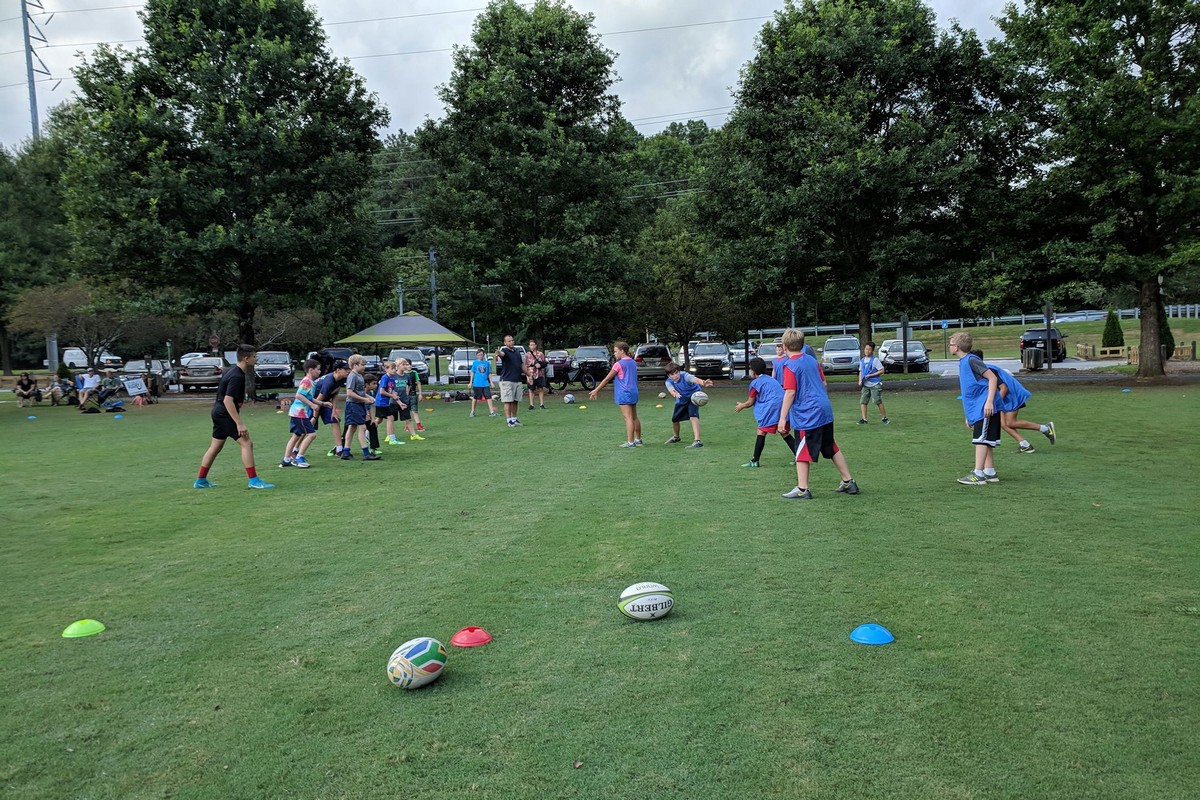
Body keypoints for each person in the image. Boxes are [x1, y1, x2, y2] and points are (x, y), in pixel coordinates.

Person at [777, 328, 859, 499]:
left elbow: (790, 393)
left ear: (784, 347)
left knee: (801, 451)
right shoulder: (812, 360)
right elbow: (823, 383)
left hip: (809, 415)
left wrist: (782, 418)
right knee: (830, 446)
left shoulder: (790, 366)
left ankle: (802, 489)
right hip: (825, 410)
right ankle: (848, 482)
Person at [194, 343, 274, 489]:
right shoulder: (237, 376)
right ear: (246, 358)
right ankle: (254, 481)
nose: (255, 359)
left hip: (218, 412)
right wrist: (239, 423)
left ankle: (200, 481)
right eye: (254, 357)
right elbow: (228, 400)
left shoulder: (231, 370)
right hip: (224, 413)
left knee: (215, 447)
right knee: (246, 443)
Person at [973, 350, 1055, 454]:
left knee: (1010, 422)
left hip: (1012, 395)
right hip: (1007, 397)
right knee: (1003, 424)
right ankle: (1025, 445)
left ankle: (1045, 428)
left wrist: (994, 403)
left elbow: (1004, 388)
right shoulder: (983, 369)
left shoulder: (988, 370)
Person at [949, 332, 1000, 485]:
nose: (949, 346)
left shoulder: (971, 360)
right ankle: (989, 472)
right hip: (977, 409)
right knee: (986, 440)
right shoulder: (964, 361)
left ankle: (978, 474)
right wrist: (969, 414)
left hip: (984, 407)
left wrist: (989, 402)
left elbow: (992, 378)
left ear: (957, 347)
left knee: (980, 440)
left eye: (950, 344)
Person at [734, 356, 797, 467]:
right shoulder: (771, 379)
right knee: (783, 431)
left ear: (753, 372)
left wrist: (741, 406)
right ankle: (799, 456)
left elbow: (750, 402)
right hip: (783, 405)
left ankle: (755, 461)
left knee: (761, 431)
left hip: (771, 407)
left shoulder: (755, 383)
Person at [588, 341, 642, 448]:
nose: (614, 354)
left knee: (628, 418)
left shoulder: (618, 364)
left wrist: (596, 390)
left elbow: (607, 378)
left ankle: (631, 442)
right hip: (633, 392)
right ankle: (638, 439)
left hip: (624, 393)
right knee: (634, 417)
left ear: (622, 351)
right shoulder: (632, 362)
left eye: (616, 351)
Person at [280, 358, 329, 469]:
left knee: (296, 435)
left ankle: (286, 459)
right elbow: (298, 395)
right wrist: (312, 406)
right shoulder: (307, 381)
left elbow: (309, 397)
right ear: (311, 370)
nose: (319, 372)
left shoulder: (310, 382)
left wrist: (323, 403)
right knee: (312, 434)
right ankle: (299, 457)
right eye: (318, 369)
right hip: (300, 413)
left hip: (297, 413)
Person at [663, 362, 713, 448]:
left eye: (676, 372)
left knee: (693, 416)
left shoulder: (685, 376)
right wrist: (674, 393)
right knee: (675, 419)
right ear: (669, 376)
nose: (675, 375)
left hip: (694, 397)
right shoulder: (668, 382)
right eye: (672, 374)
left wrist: (703, 382)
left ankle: (697, 441)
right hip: (681, 399)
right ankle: (676, 437)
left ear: (679, 371)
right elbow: (671, 390)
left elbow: (695, 379)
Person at [340, 355, 380, 461]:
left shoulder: (360, 376)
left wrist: (370, 398)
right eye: (362, 365)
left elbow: (361, 393)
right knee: (362, 428)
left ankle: (346, 452)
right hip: (353, 405)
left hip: (358, 404)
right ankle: (366, 454)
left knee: (352, 428)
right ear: (354, 365)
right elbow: (349, 393)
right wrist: (364, 400)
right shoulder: (352, 376)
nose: (364, 367)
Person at [314, 359, 349, 457]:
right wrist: (315, 416)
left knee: (335, 420)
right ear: (338, 370)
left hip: (325, 403)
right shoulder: (328, 382)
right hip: (313, 403)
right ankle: (295, 450)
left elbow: (335, 394)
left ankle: (339, 450)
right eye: (345, 369)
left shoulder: (341, 379)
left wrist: (334, 411)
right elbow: (317, 400)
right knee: (308, 427)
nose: (348, 371)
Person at [495, 335, 528, 427]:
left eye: (512, 340)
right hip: (507, 381)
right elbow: (502, 354)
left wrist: (529, 375)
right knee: (508, 401)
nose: (511, 342)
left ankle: (514, 419)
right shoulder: (505, 351)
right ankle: (509, 420)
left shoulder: (517, 353)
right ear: (505, 343)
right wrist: (498, 352)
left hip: (517, 380)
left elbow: (522, 366)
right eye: (509, 341)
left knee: (515, 401)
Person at [857, 342, 888, 424]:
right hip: (865, 384)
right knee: (863, 401)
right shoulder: (862, 360)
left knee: (877, 401)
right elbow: (861, 371)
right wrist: (860, 380)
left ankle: (884, 418)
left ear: (872, 351)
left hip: (875, 384)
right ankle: (864, 419)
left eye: (869, 349)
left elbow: (882, 370)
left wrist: (871, 375)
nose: (867, 351)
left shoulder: (875, 360)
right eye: (866, 349)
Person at [376, 360, 403, 446]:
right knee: (390, 418)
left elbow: (393, 393)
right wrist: (392, 396)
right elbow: (382, 391)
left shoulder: (392, 379)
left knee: (379, 420)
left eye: (395, 368)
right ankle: (392, 439)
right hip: (381, 402)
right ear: (386, 369)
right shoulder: (385, 378)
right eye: (392, 368)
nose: (394, 370)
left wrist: (400, 403)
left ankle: (367, 432)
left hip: (385, 403)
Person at [400, 358, 426, 437]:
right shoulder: (402, 374)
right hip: (405, 396)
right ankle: (408, 426)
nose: (407, 366)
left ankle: (418, 425)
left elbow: (418, 383)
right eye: (405, 365)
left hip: (413, 394)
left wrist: (420, 394)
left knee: (414, 410)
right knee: (406, 411)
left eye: (408, 364)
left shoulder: (414, 373)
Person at [469, 347, 498, 418]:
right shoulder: (475, 363)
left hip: (485, 383)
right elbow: (472, 372)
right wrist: (470, 382)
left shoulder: (487, 363)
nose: (480, 356)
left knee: (489, 397)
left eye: (481, 354)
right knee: (475, 398)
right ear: (476, 355)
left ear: (483, 355)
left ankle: (492, 412)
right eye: (479, 355)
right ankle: (472, 412)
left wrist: (491, 382)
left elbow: (489, 373)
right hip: (477, 383)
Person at [525, 340, 549, 410]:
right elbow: (525, 366)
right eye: (531, 345)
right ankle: (531, 404)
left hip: (539, 374)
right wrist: (527, 376)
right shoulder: (527, 355)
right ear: (529, 346)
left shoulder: (540, 354)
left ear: (536, 345)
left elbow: (544, 363)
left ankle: (541, 404)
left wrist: (540, 365)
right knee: (531, 389)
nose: (532, 346)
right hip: (531, 374)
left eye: (533, 345)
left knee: (540, 388)